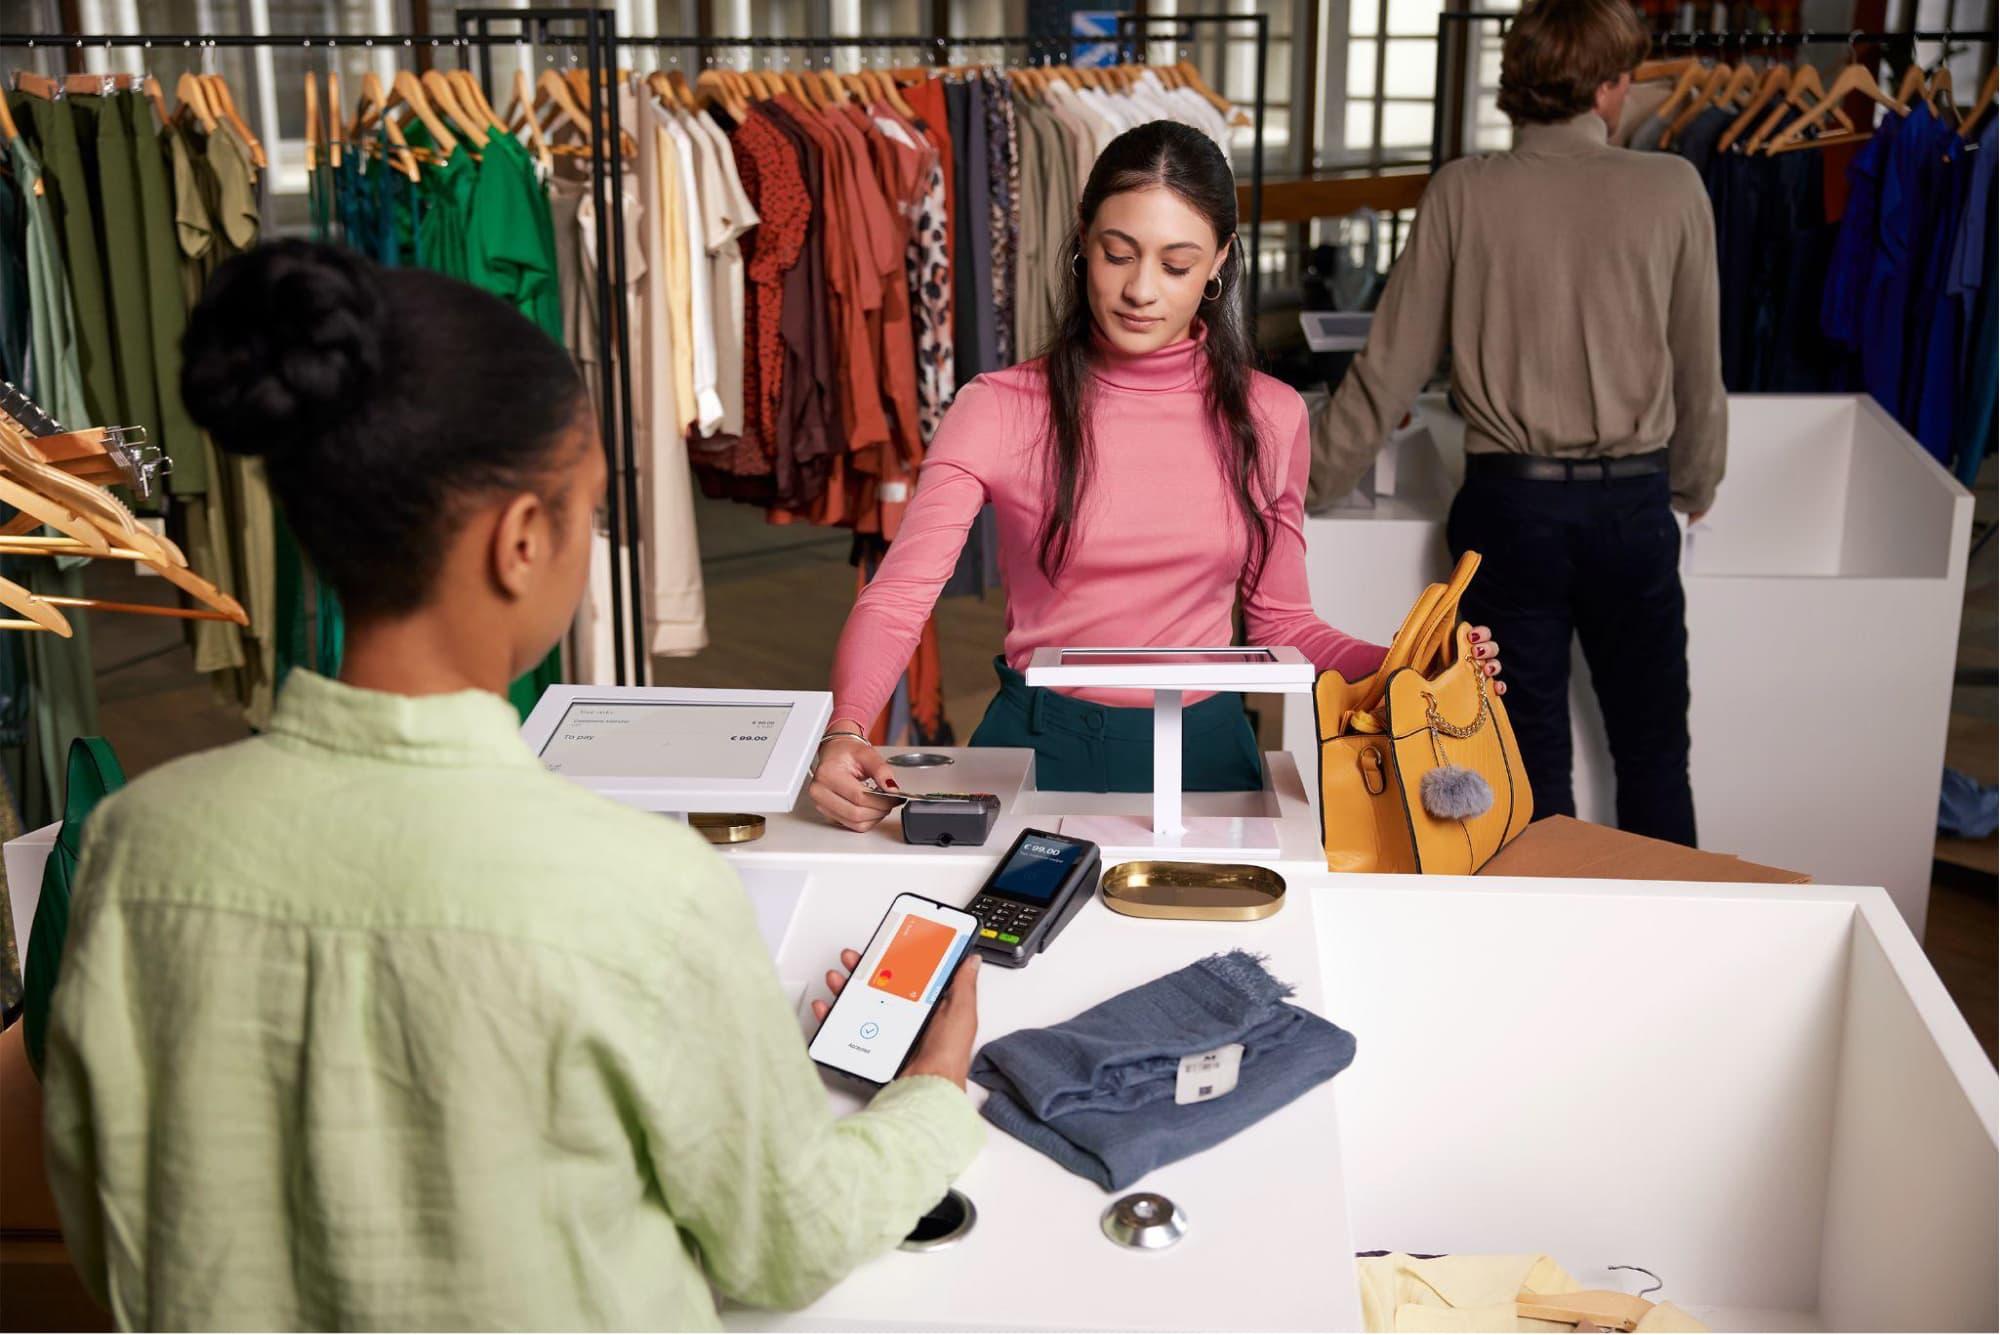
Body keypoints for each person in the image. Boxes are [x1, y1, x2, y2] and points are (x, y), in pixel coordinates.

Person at [39, 241, 983, 1330]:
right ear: (520, 541)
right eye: (584, 509)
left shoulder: (135, 847)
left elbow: (112, 1210)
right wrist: (931, 1091)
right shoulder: (642, 887)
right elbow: (787, 1244)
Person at [810, 121, 1505, 832]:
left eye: (1176, 265)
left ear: (1220, 262)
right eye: (1118, 254)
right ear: (1083, 239)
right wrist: (845, 728)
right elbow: (898, 598)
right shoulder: (997, 408)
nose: (1141, 289)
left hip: (1207, 750)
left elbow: (1283, 623)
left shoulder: (1271, 416)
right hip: (1037, 744)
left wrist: (1411, 663)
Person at [1310, 0, 1724, 847]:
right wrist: (1697, 480)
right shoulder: (1674, 187)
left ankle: (1541, 958)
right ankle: (1681, 952)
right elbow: (1698, 369)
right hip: (1632, 507)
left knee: (1524, 755)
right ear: (1611, 87)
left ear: (1515, 83)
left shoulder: (1464, 190)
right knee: (1653, 753)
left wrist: (1308, 482)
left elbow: (1388, 370)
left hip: (1510, 512)